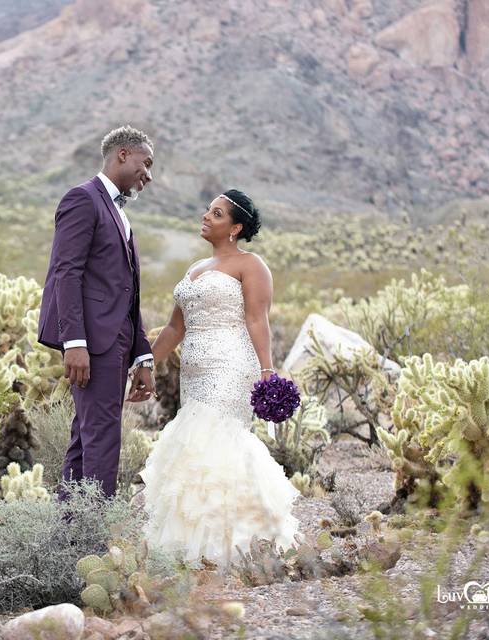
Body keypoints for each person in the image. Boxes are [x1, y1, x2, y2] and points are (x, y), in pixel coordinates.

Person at [138, 189, 301, 568]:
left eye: (217, 213)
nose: (206, 217)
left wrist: (267, 372)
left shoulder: (250, 265)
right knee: (194, 448)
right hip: (193, 374)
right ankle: (190, 542)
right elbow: (175, 328)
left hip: (231, 368)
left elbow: (257, 320)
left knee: (215, 439)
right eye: (208, 211)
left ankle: (238, 542)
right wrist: (146, 366)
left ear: (235, 227)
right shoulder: (194, 268)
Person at [37, 125, 156, 498]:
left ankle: (72, 533)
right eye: (145, 163)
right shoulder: (83, 199)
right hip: (92, 342)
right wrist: (74, 342)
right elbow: (65, 272)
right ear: (123, 154)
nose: (148, 175)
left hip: (116, 341)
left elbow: (128, 291)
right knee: (102, 438)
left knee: (86, 437)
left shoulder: (121, 213)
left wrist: (143, 354)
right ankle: (94, 539)